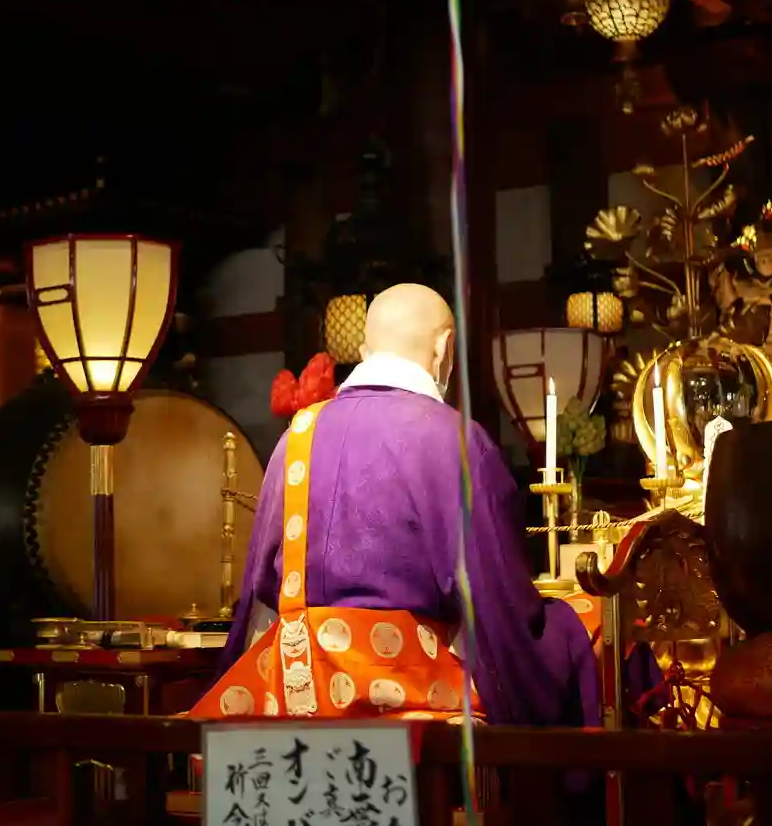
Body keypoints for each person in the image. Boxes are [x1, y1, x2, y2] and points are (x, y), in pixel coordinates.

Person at [189, 284, 599, 725]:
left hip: (304, 695)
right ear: (444, 348)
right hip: (421, 691)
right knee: (591, 622)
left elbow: (261, 593)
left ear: (364, 351)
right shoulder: (455, 440)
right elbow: (496, 602)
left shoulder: (297, 437)